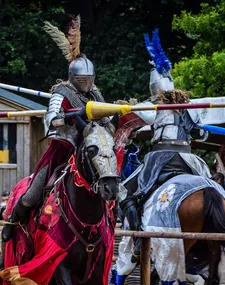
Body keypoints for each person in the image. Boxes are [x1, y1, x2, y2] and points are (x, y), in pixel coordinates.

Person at [2, 15, 108, 242]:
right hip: (63, 149)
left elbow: (106, 121)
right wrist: (73, 116)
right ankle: (12, 220)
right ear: (73, 77)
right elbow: (51, 120)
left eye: (88, 78)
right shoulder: (62, 92)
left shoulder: (95, 95)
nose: (85, 82)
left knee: (112, 184)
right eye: (82, 78)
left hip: (91, 151)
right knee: (32, 194)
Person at [120, 29, 211, 245]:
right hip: (190, 159)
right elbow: (203, 133)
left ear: (154, 88)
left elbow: (141, 119)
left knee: (125, 191)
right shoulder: (191, 107)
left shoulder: (152, 106)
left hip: (160, 159)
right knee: (214, 188)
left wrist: (127, 109)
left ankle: (137, 240)